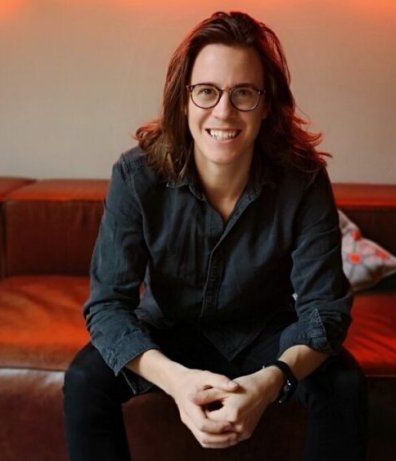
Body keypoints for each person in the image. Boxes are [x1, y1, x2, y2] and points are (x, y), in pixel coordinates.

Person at [63, 11, 367, 461]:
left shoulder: (303, 179)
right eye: (207, 91)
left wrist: (272, 381)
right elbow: (108, 306)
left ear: (266, 104)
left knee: (343, 383)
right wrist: (176, 380)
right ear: (184, 100)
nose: (224, 112)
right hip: (168, 331)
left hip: (266, 333)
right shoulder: (135, 175)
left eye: (243, 93)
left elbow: (325, 309)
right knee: (84, 379)